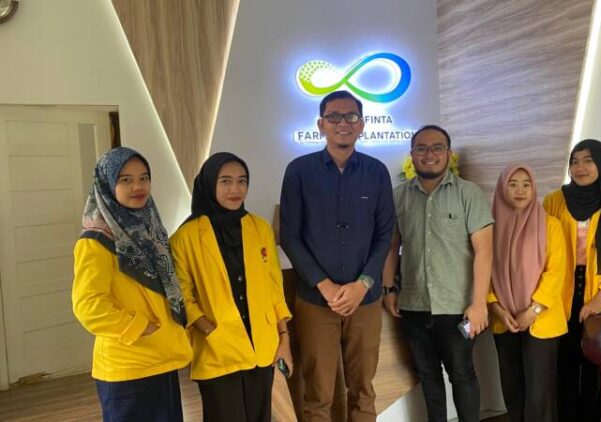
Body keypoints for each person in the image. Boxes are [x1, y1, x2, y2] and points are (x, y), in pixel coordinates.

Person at [280, 90, 395, 422]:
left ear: (362, 124)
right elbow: (290, 236)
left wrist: (363, 284)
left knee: (364, 391)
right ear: (321, 124)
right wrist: (325, 285)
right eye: (334, 117)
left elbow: (384, 236)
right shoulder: (299, 171)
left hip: (365, 301)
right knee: (318, 394)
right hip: (316, 302)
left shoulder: (376, 172)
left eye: (351, 116)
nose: (343, 123)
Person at [382, 125, 493, 422]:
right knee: (428, 376)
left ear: (448, 153)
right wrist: (389, 289)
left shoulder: (469, 193)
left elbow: (484, 252)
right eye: (421, 148)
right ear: (412, 154)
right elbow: (391, 246)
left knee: (462, 374)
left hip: (457, 306)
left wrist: (479, 303)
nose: (429, 154)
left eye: (436, 148)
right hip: (414, 304)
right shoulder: (398, 196)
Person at [170, 152, 292, 421]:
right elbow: (181, 296)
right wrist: (209, 329)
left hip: (261, 344)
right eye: (225, 181)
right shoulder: (185, 237)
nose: (235, 189)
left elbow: (274, 287)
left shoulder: (260, 228)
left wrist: (284, 337)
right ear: (209, 184)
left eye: (241, 180)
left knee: (260, 416)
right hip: (217, 348)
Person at [72, 147, 191, 422]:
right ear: (107, 185)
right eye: (125, 180)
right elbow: (88, 305)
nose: (138, 187)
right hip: (128, 366)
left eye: (143, 178)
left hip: (163, 359)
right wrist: (138, 327)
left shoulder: (150, 229)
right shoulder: (96, 241)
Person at [543, 139, 601, 422]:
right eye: (574, 161)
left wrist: (598, 299)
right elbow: (544, 250)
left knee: (594, 366)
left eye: (588, 160)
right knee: (564, 364)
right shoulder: (554, 202)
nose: (580, 167)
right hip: (561, 291)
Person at [488, 164, 567, 422]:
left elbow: (556, 273)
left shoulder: (550, 225)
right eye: (512, 185)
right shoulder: (490, 228)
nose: (520, 190)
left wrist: (532, 311)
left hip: (541, 319)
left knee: (539, 393)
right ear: (502, 189)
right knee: (512, 388)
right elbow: (484, 271)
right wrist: (496, 308)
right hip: (504, 319)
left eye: (526, 184)